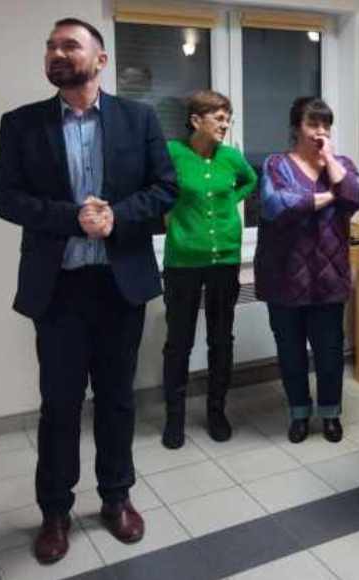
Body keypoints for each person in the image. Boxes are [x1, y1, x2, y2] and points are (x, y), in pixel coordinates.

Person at [0, 18, 177, 564]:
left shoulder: (138, 119)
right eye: (51, 45)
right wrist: (74, 218)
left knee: (118, 399)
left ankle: (116, 498)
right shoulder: (22, 124)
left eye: (69, 45)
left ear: (100, 59)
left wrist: (116, 216)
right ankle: (55, 511)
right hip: (59, 290)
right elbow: (7, 198)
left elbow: (165, 189)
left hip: (120, 286)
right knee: (60, 405)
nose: (56, 53)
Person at [255, 97, 359, 444]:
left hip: (329, 278)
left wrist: (330, 160)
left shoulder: (341, 164)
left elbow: (355, 197)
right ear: (295, 128)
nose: (320, 131)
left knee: (330, 353)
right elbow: (275, 205)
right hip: (284, 277)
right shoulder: (276, 164)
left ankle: (330, 414)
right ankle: (299, 414)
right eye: (312, 124)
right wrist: (328, 197)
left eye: (325, 124)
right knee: (291, 353)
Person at [159, 90, 258, 449]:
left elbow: (250, 180)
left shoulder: (231, 157)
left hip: (224, 260)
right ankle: (174, 418)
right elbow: (153, 187)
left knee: (220, 338)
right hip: (182, 262)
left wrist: (230, 199)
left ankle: (217, 412)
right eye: (218, 117)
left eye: (228, 118)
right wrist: (169, 213)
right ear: (195, 120)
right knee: (179, 342)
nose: (225, 124)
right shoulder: (172, 153)